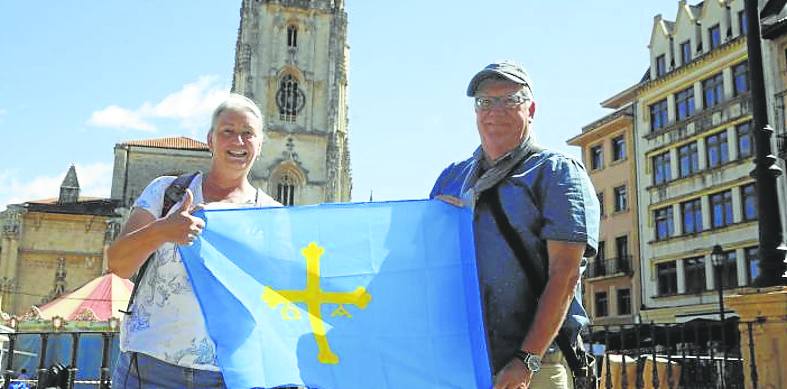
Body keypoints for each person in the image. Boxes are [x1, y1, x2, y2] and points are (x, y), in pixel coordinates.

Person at [430, 61, 600, 389]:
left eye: (510, 100)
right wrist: (433, 226)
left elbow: (565, 275)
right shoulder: (452, 177)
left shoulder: (558, 173)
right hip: (460, 363)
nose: (495, 110)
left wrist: (526, 361)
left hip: (534, 368)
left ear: (531, 109)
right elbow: (426, 263)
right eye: (485, 102)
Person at [108, 93, 280, 388]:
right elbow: (118, 264)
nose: (238, 142)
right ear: (211, 140)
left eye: (248, 134)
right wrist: (162, 231)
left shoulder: (272, 217)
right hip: (149, 368)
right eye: (228, 132)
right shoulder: (166, 192)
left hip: (227, 374)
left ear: (260, 145)